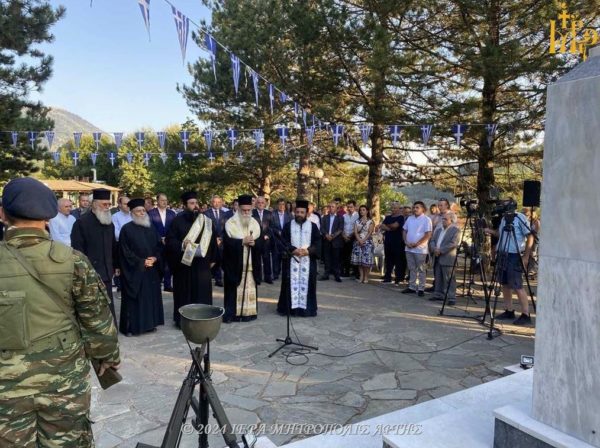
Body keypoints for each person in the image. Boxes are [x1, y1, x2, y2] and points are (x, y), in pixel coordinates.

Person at [0, 177, 119, 446]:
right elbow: (98, 320)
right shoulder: (73, 261)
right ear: (48, 217)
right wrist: (107, 357)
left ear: (2, 215)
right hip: (64, 379)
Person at [166, 191, 217, 327]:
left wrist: (213, 259)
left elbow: (213, 241)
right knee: (185, 294)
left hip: (202, 266)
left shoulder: (206, 221)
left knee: (202, 293)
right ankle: (183, 321)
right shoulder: (177, 221)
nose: (195, 206)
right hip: (184, 266)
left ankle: (204, 319)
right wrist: (182, 244)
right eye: (191, 203)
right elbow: (170, 241)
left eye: (196, 203)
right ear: (185, 205)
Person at [71, 188, 119, 321]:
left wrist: (116, 265)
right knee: (92, 308)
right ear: (94, 204)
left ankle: (110, 330)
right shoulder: (81, 223)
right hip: (90, 274)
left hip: (107, 273)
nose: (108, 207)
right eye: (104, 204)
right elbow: (77, 251)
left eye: (109, 204)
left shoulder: (109, 223)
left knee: (108, 305)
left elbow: (113, 247)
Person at [118, 198, 165, 336]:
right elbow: (124, 252)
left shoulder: (151, 227)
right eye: (138, 211)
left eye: (143, 210)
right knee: (135, 299)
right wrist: (141, 262)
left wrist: (155, 258)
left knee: (150, 298)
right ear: (132, 213)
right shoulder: (126, 229)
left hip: (151, 270)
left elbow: (159, 247)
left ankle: (149, 325)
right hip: (135, 271)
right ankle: (131, 328)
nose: (142, 213)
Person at [484, 208, 534, 325]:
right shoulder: (504, 218)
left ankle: (526, 314)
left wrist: (526, 256)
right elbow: (500, 234)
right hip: (502, 254)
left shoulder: (519, 217)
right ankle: (509, 310)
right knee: (505, 283)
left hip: (514, 255)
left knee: (517, 285)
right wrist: (490, 231)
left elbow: (530, 236)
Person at [222, 195, 263, 323]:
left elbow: (262, 243)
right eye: (243, 210)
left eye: (248, 210)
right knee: (234, 290)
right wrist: (241, 242)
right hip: (235, 265)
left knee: (250, 289)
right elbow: (226, 244)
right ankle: (233, 314)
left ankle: (249, 314)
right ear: (238, 209)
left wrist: (255, 243)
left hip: (250, 265)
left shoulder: (255, 223)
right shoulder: (230, 223)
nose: (246, 213)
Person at [277, 199, 321, 317]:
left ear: (306, 213)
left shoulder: (313, 226)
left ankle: (306, 310)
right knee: (289, 284)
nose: (299, 215)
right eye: (297, 212)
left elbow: (318, 243)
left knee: (308, 284)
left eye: (302, 212)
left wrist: (308, 251)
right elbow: (283, 242)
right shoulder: (288, 226)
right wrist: (293, 249)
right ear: (294, 212)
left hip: (308, 261)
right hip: (291, 261)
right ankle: (289, 309)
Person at [428, 212, 460, 304]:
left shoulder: (455, 230)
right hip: (437, 257)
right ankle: (438, 295)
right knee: (438, 277)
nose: (443, 221)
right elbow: (432, 240)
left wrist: (441, 250)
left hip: (448, 257)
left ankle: (451, 297)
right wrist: (434, 249)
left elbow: (453, 243)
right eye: (442, 219)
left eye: (445, 219)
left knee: (449, 279)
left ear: (451, 221)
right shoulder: (439, 230)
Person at [402, 201, 433, 296]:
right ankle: (412, 286)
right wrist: (406, 242)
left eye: (417, 207)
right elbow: (404, 231)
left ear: (423, 209)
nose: (415, 209)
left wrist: (417, 243)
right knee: (411, 268)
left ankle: (421, 288)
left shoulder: (426, 219)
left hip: (420, 249)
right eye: (414, 207)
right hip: (409, 248)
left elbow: (428, 234)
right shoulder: (410, 218)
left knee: (421, 269)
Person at [148, 192, 177, 292]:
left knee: (168, 264)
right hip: (156, 243)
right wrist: (160, 238)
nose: (164, 202)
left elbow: (174, 228)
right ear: (157, 201)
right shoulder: (151, 213)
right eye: (162, 200)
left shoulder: (172, 213)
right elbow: (150, 228)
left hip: (169, 243)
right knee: (158, 264)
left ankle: (167, 285)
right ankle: (157, 283)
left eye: (166, 200)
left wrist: (168, 238)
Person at [205, 195, 232, 287]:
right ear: (211, 203)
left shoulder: (225, 214)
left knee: (220, 260)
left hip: (221, 241)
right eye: (214, 202)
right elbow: (205, 228)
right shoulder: (206, 214)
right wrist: (214, 239)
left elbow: (227, 228)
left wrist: (221, 238)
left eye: (218, 202)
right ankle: (207, 277)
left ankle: (218, 279)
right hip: (210, 241)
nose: (216, 204)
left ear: (221, 203)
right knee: (210, 260)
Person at [379, 202, 406, 285]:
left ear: (399, 209)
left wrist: (387, 226)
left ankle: (398, 278)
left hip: (398, 242)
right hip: (388, 242)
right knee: (388, 260)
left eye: (395, 208)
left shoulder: (401, 217)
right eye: (392, 207)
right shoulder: (388, 217)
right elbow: (382, 226)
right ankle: (387, 277)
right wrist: (390, 228)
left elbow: (395, 226)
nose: (393, 209)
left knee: (398, 261)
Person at [320, 201, 344, 282]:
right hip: (326, 240)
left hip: (336, 241)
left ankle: (337, 275)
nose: (331, 208)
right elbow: (322, 228)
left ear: (336, 208)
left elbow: (340, 229)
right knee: (326, 258)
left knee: (336, 259)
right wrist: (326, 235)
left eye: (333, 206)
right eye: (330, 207)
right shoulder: (324, 217)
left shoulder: (340, 217)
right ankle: (326, 274)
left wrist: (332, 236)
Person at [351, 205, 375, 283]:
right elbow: (355, 232)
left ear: (367, 211)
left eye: (363, 210)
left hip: (367, 243)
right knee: (360, 261)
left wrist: (363, 240)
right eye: (360, 210)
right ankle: (361, 276)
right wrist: (359, 240)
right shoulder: (357, 221)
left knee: (366, 262)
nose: (362, 211)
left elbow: (370, 232)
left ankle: (366, 277)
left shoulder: (370, 221)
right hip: (358, 242)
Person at [252, 196, 273, 284]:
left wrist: (268, 235)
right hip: (256, 240)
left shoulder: (269, 213)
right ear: (256, 204)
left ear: (265, 204)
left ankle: (268, 277)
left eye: (262, 203)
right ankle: (257, 278)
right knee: (256, 260)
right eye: (259, 202)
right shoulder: (252, 213)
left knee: (266, 259)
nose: (260, 204)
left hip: (266, 240)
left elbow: (272, 226)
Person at [270, 198, 293, 281]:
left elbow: (292, 225)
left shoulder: (289, 215)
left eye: (283, 204)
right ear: (277, 205)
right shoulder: (272, 214)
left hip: (286, 240)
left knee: (286, 257)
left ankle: (286, 274)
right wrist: (277, 232)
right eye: (280, 204)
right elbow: (271, 226)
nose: (281, 206)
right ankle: (275, 274)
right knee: (276, 257)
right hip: (276, 239)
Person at [341, 200, 359, 278]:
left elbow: (358, 228)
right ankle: (346, 272)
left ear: (354, 207)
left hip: (354, 237)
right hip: (344, 238)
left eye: (351, 207)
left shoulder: (358, 216)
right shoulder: (344, 216)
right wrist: (344, 236)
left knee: (354, 255)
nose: (349, 208)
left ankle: (356, 272)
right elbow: (341, 227)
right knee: (345, 255)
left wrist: (351, 236)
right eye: (348, 207)